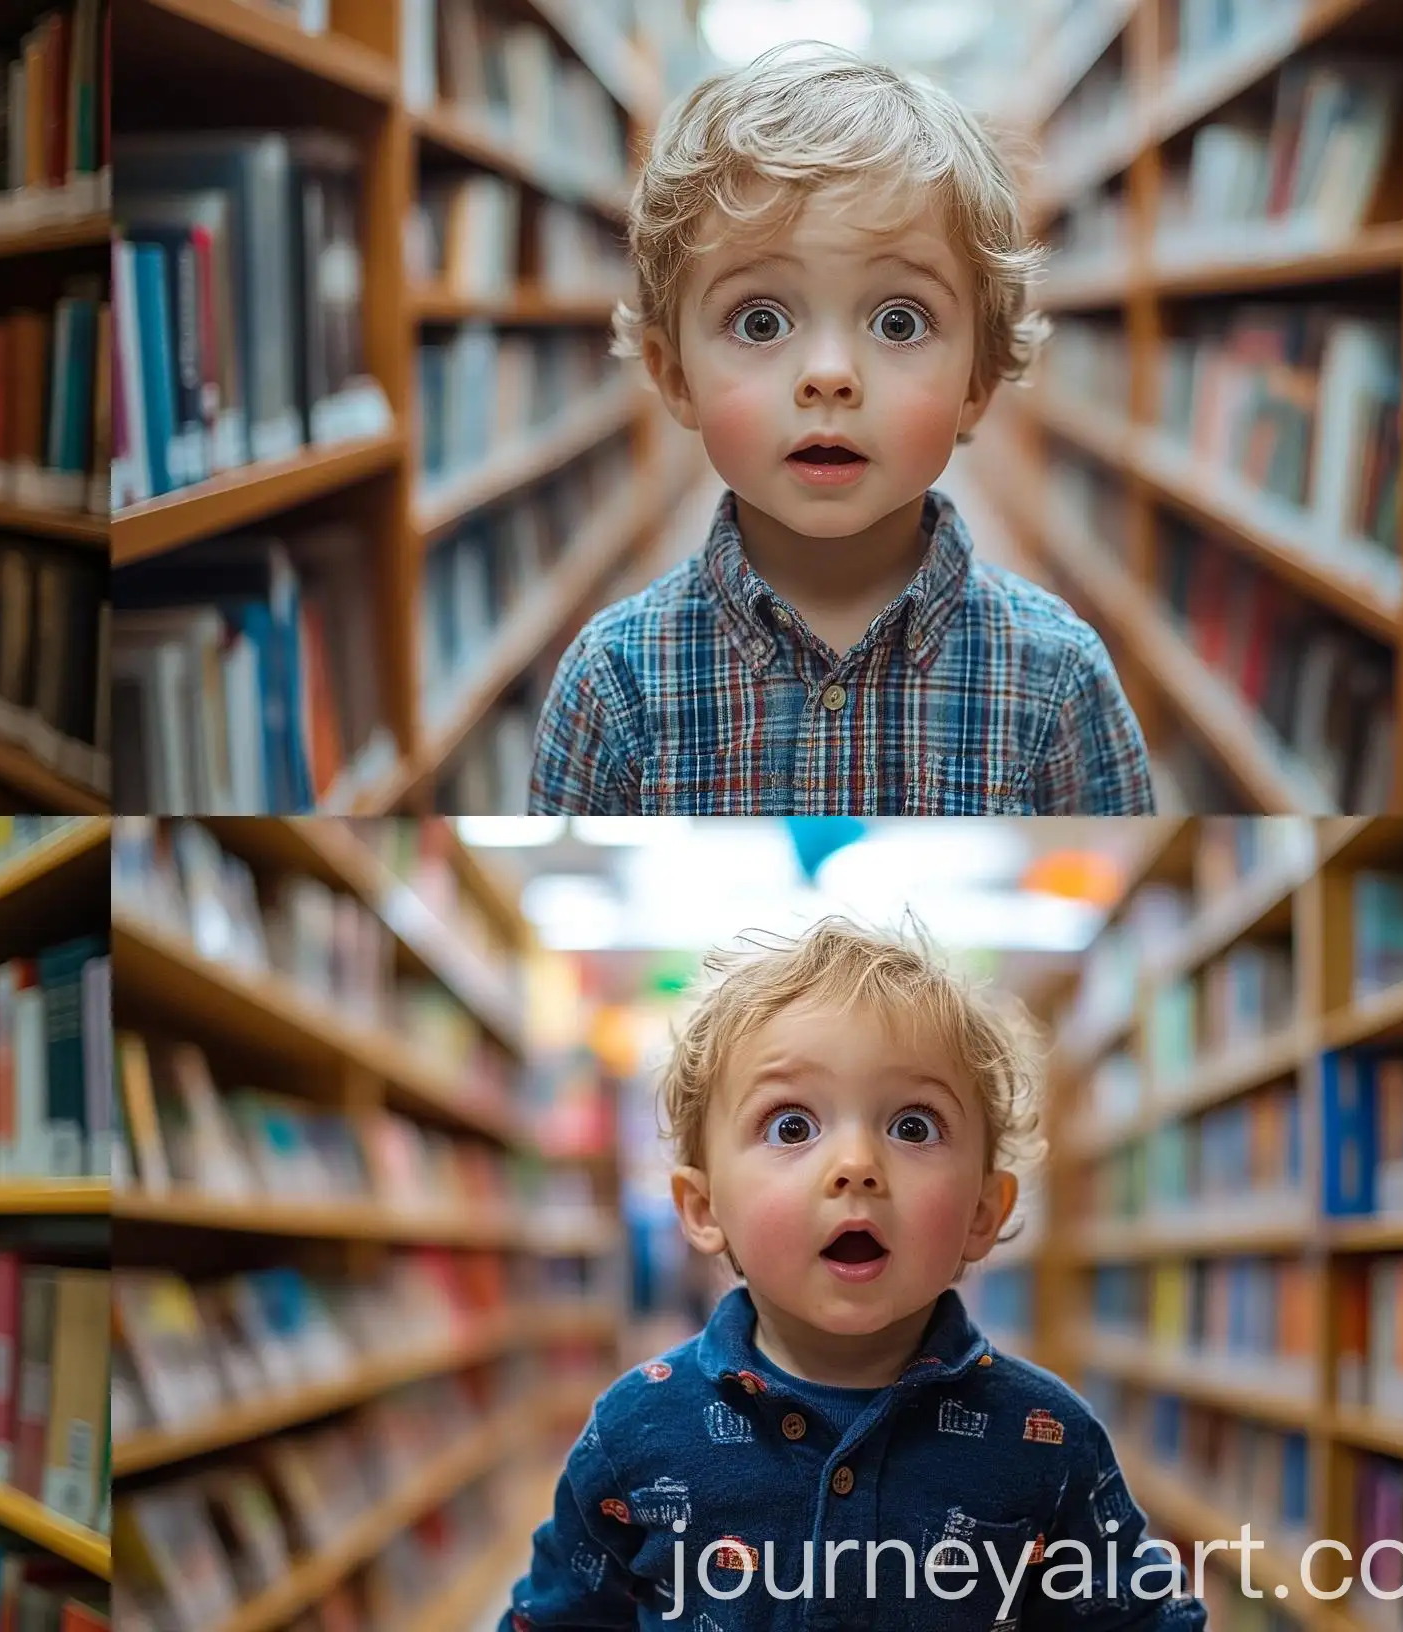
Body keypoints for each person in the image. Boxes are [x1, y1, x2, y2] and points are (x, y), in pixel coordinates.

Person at [502, 918, 1201, 1630]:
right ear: (705, 1207)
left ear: (983, 1212)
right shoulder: (635, 1430)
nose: (857, 1163)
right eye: (791, 1126)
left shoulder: (1048, 1439)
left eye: (914, 1126)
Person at [528, 45, 1155, 816]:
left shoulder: (1058, 677)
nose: (829, 374)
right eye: (760, 320)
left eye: (899, 320)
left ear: (979, 382)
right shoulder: (613, 682)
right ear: (674, 375)